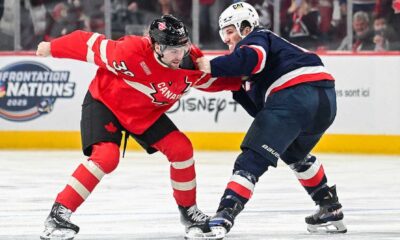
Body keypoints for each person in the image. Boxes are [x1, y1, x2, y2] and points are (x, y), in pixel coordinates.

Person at [36, 15, 241, 240]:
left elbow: (215, 82)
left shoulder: (191, 62)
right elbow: (87, 44)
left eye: (182, 47)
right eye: (172, 50)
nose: (179, 55)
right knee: (106, 157)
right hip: (106, 103)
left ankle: (189, 213)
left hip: (145, 114)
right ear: (156, 45)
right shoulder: (129, 52)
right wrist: (51, 47)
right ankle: (58, 213)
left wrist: (247, 79)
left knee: (181, 149)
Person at [189, 2, 347, 239]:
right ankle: (329, 206)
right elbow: (260, 111)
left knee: (251, 159)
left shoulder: (258, 37)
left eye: (230, 32)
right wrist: (231, 86)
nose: (228, 40)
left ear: (245, 26)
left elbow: (253, 58)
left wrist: (211, 65)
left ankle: (224, 215)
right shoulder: (262, 57)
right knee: (294, 153)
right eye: (224, 35)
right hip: (325, 100)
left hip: (295, 94)